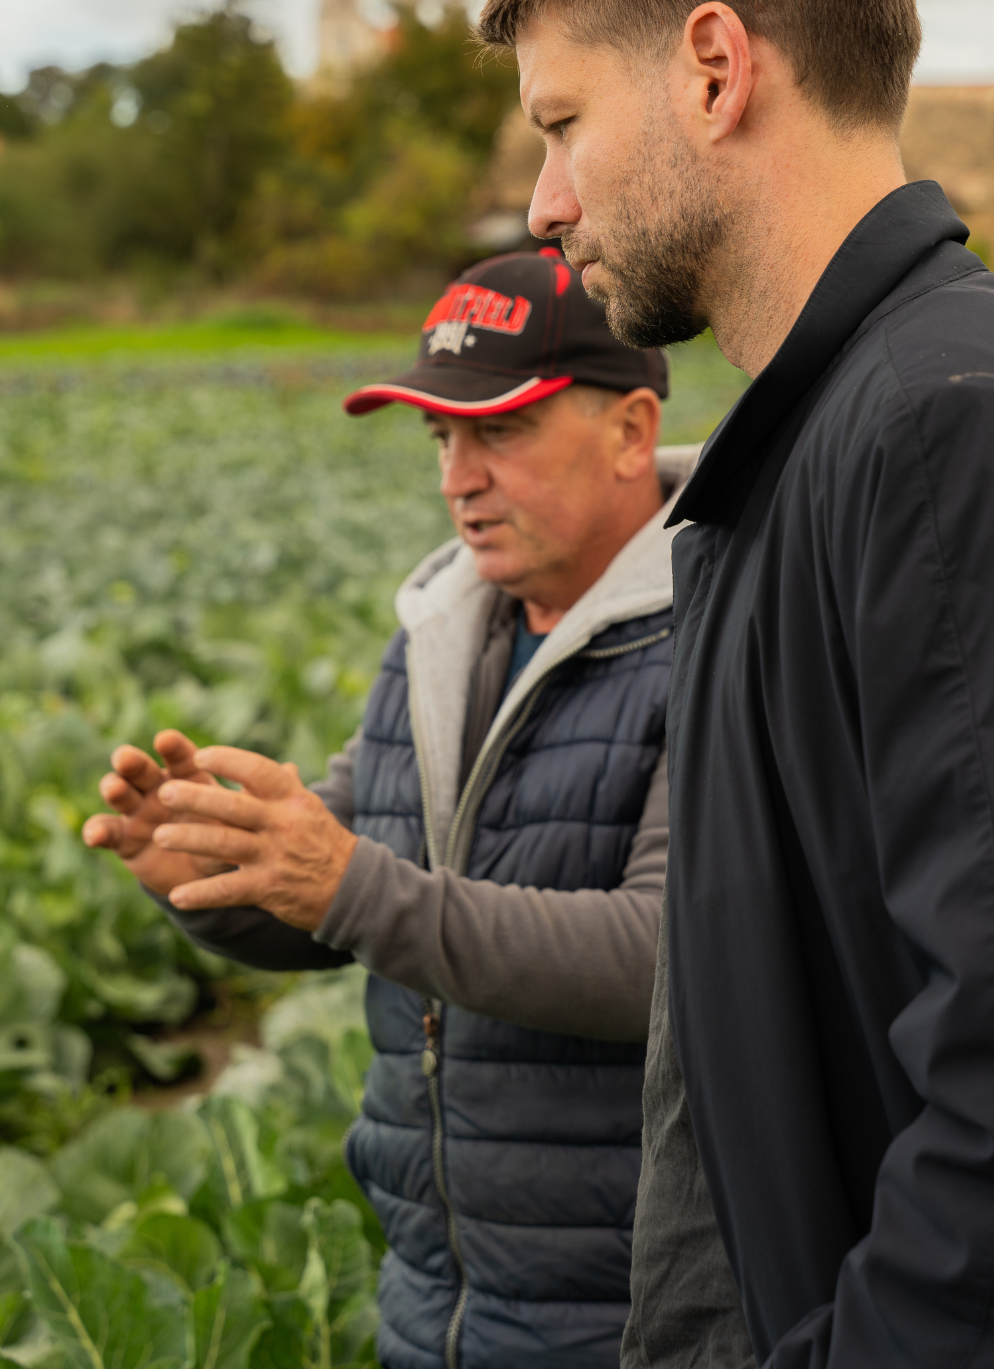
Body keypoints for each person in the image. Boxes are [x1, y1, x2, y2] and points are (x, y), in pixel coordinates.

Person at [477, 0, 994, 1366]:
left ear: (713, 68)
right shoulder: (810, 444)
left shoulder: (951, 423)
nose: (545, 202)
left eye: (563, 122)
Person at [84, 248, 701, 1369]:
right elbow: (348, 869)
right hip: (438, 1295)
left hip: (631, 1317)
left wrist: (346, 883)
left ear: (631, 430)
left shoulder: (721, 638)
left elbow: (661, 959)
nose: (457, 477)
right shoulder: (442, 631)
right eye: (440, 439)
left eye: (498, 432)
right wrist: (204, 872)